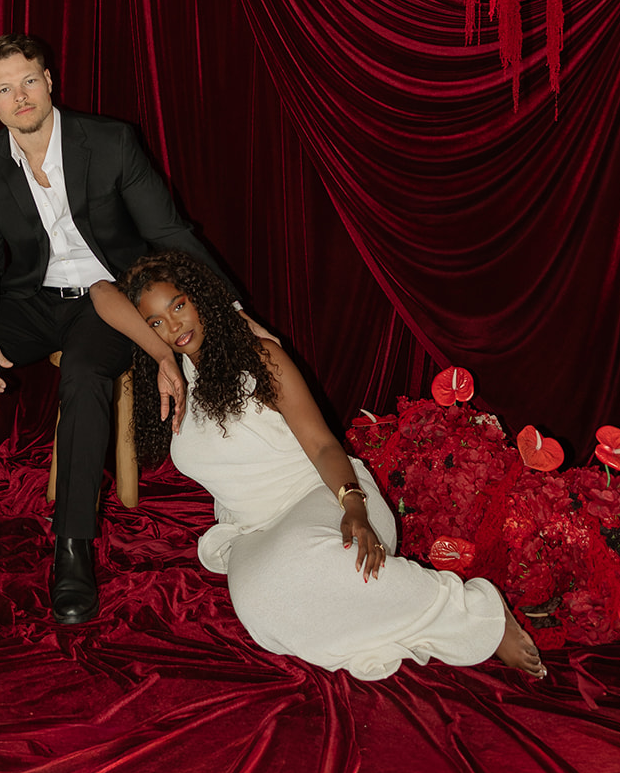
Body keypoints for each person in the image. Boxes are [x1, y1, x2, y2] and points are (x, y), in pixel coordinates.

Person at [0, 35, 253, 622]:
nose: (20, 96)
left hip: (110, 300)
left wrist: (230, 310)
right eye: (4, 89)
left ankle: (72, 548)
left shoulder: (108, 142)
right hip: (34, 300)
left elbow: (171, 233)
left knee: (84, 373)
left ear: (49, 81)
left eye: (28, 81)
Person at [92, 251, 546, 681]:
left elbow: (323, 445)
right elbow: (97, 290)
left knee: (307, 565)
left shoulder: (258, 357)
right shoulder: (173, 382)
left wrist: (352, 504)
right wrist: (161, 355)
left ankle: (476, 610)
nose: (173, 325)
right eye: (156, 322)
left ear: (199, 298)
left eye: (179, 306)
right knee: (262, 611)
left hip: (324, 495)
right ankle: (385, 613)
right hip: (256, 530)